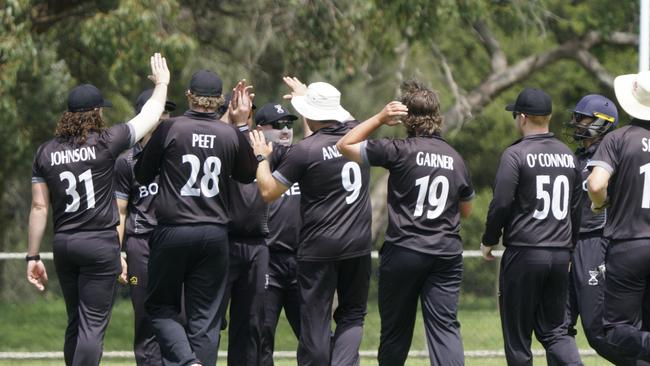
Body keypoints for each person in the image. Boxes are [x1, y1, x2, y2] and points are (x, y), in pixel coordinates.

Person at [26, 53, 170, 366]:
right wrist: (162, 83)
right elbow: (150, 115)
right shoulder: (106, 141)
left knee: (75, 323)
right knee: (92, 326)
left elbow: (39, 206)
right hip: (99, 244)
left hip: (65, 244)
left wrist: (33, 256)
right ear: (95, 112)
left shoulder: (45, 152)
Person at [337, 80, 474, 366]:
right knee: (445, 329)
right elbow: (467, 209)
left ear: (406, 118)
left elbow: (344, 144)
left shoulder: (398, 150)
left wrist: (379, 118)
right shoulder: (455, 158)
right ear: (438, 117)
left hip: (404, 251)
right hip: (445, 253)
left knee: (396, 333)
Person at [134, 71, 257, 366]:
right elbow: (247, 174)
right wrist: (240, 126)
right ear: (219, 101)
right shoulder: (229, 134)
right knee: (206, 320)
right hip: (215, 234)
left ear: (189, 96)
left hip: (174, 230)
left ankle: (188, 362)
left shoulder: (171, 128)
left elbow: (141, 174)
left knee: (161, 307)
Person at [249, 78, 371, 366]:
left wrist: (260, 158)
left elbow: (267, 191)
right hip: (358, 245)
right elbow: (345, 121)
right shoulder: (358, 137)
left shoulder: (306, 151)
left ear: (310, 117)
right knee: (352, 316)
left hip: (319, 248)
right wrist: (311, 103)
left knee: (314, 322)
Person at [480, 87, 583, 366]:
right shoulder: (568, 156)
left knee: (518, 337)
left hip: (525, 252)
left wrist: (489, 239)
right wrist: (570, 249)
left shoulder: (515, 154)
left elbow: (501, 202)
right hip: (560, 254)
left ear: (522, 117)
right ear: (547, 117)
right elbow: (577, 209)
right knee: (556, 332)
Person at [587, 71, 650, 361]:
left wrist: (600, 205)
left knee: (615, 329)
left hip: (628, 244)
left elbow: (596, 184)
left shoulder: (619, 139)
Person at [563, 95, 630, 364]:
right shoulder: (578, 158)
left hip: (597, 243)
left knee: (597, 331)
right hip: (570, 245)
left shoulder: (612, 156)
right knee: (557, 326)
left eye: (582, 118)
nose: (575, 123)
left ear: (603, 123)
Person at [114, 89, 177, 366]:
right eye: (160, 111)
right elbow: (120, 211)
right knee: (144, 317)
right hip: (141, 246)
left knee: (180, 316)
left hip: (174, 243)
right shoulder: (126, 161)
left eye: (167, 112)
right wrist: (118, 252)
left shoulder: (177, 155)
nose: (165, 117)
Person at [217, 90, 269, 366]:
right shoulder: (220, 142)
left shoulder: (262, 144)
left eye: (248, 109)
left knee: (250, 323)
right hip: (223, 241)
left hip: (257, 245)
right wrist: (233, 120)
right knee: (211, 321)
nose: (244, 112)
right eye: (238, 108)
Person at [254, 102, 302, 366]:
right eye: (279, 125)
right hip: (267, 260)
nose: (286, 130)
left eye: (289, 124)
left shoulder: (302, 158)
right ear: (261, 130)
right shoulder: (251, 162)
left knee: (313, 336)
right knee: (262, 337)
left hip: (302, 261)